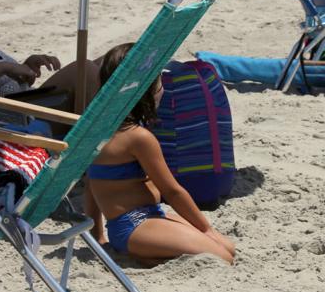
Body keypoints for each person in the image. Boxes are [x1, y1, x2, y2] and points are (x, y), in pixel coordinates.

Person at [85, 43, 235, 263]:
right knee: (222, 256)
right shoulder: (139, 138)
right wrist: (207, 229)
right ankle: (144, 253)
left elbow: (91, 182)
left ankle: (151, 252)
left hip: (144, 218)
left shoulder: (97, 130)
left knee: (228, 248)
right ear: (147, 89)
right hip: (135, 225)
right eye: (159, 81)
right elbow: (172, 191)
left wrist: (97, 235)